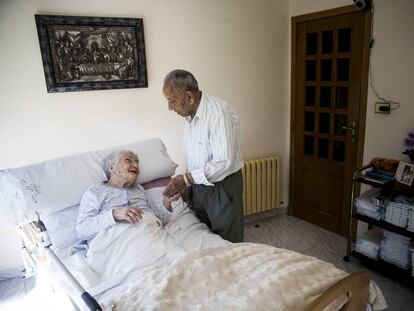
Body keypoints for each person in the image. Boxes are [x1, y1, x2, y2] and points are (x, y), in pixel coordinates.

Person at [162, 69, 244, 243]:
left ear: (189, 97)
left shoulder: (219, 115)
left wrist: (186, 179)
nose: (169, 107)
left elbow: (224, 163)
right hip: (199, 185)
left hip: (222, 185)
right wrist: (189, 184)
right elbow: (195, 156)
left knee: (228, 241)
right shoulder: (190, 117)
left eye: (172, 101)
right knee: (205, 237)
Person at [76, 150, 179, 242]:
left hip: (152, 236)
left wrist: (166, 203)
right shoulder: (95, 192)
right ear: (112, 168)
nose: (135, 165)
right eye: (128, 160)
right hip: (118, 242)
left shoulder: (138, 189)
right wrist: (114, 214)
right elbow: (82, 231)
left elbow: (159, 219)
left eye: (137, 162)